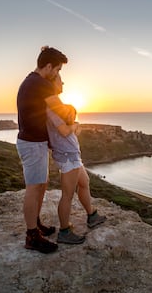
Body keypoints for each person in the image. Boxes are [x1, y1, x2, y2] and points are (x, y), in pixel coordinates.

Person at [16, 46, 79, 254]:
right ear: (49, 66)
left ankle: (36, 225)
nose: (58, 75)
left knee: (41, 186)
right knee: (34, 188)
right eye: (58, 70)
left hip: (36, 142)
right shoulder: (41, 84)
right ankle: (32, 236)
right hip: (32, 144)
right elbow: (61, 111)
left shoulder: (31, 81)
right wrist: (72, 115)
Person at [47, 74, 106, 245]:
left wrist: (73, 124)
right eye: (59, 79)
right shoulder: (50, 107)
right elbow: (65, 131)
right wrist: (74, 125)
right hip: (67, 156)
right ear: (52, 83)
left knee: (84, 182)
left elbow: (69, 127)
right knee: (67, 195)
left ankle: (92, 215)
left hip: (73, 155)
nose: (62, 82)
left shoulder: (57, 106)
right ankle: (64, 231)